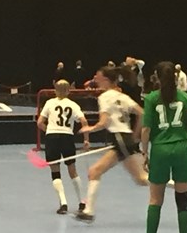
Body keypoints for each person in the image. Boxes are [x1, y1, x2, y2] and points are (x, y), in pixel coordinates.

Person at [138, 61, 187, 233]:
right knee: (183, 199)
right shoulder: (184, 97)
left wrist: (144, 153)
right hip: (182, 149)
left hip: (160, 150)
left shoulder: (151, 99)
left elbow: (146, 129)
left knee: (155, 199)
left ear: (156, 77)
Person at [75, 66, 148, 222]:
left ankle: (180, 187)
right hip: (123, 139)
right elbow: (142, 113)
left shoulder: (104, 97)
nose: (95, 78)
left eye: (98, 76)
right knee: (95, 171)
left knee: (142, 178)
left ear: (106, 80)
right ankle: (88, 212)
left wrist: (90, 128)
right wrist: (134, 135)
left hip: (120, 138)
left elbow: (103, 122)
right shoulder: (123, 96)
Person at [37, 79, 90, 214]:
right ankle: (82, 202)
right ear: (68, 91)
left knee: (55, 171)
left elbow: (39, 122)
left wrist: (49, 130)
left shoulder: (50, 103)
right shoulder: (73, 105)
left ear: (55, 90)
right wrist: (86, 139)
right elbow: (84, 121)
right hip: (67, 137)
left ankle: (63, 203)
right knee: (72, 170)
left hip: (52, 138)